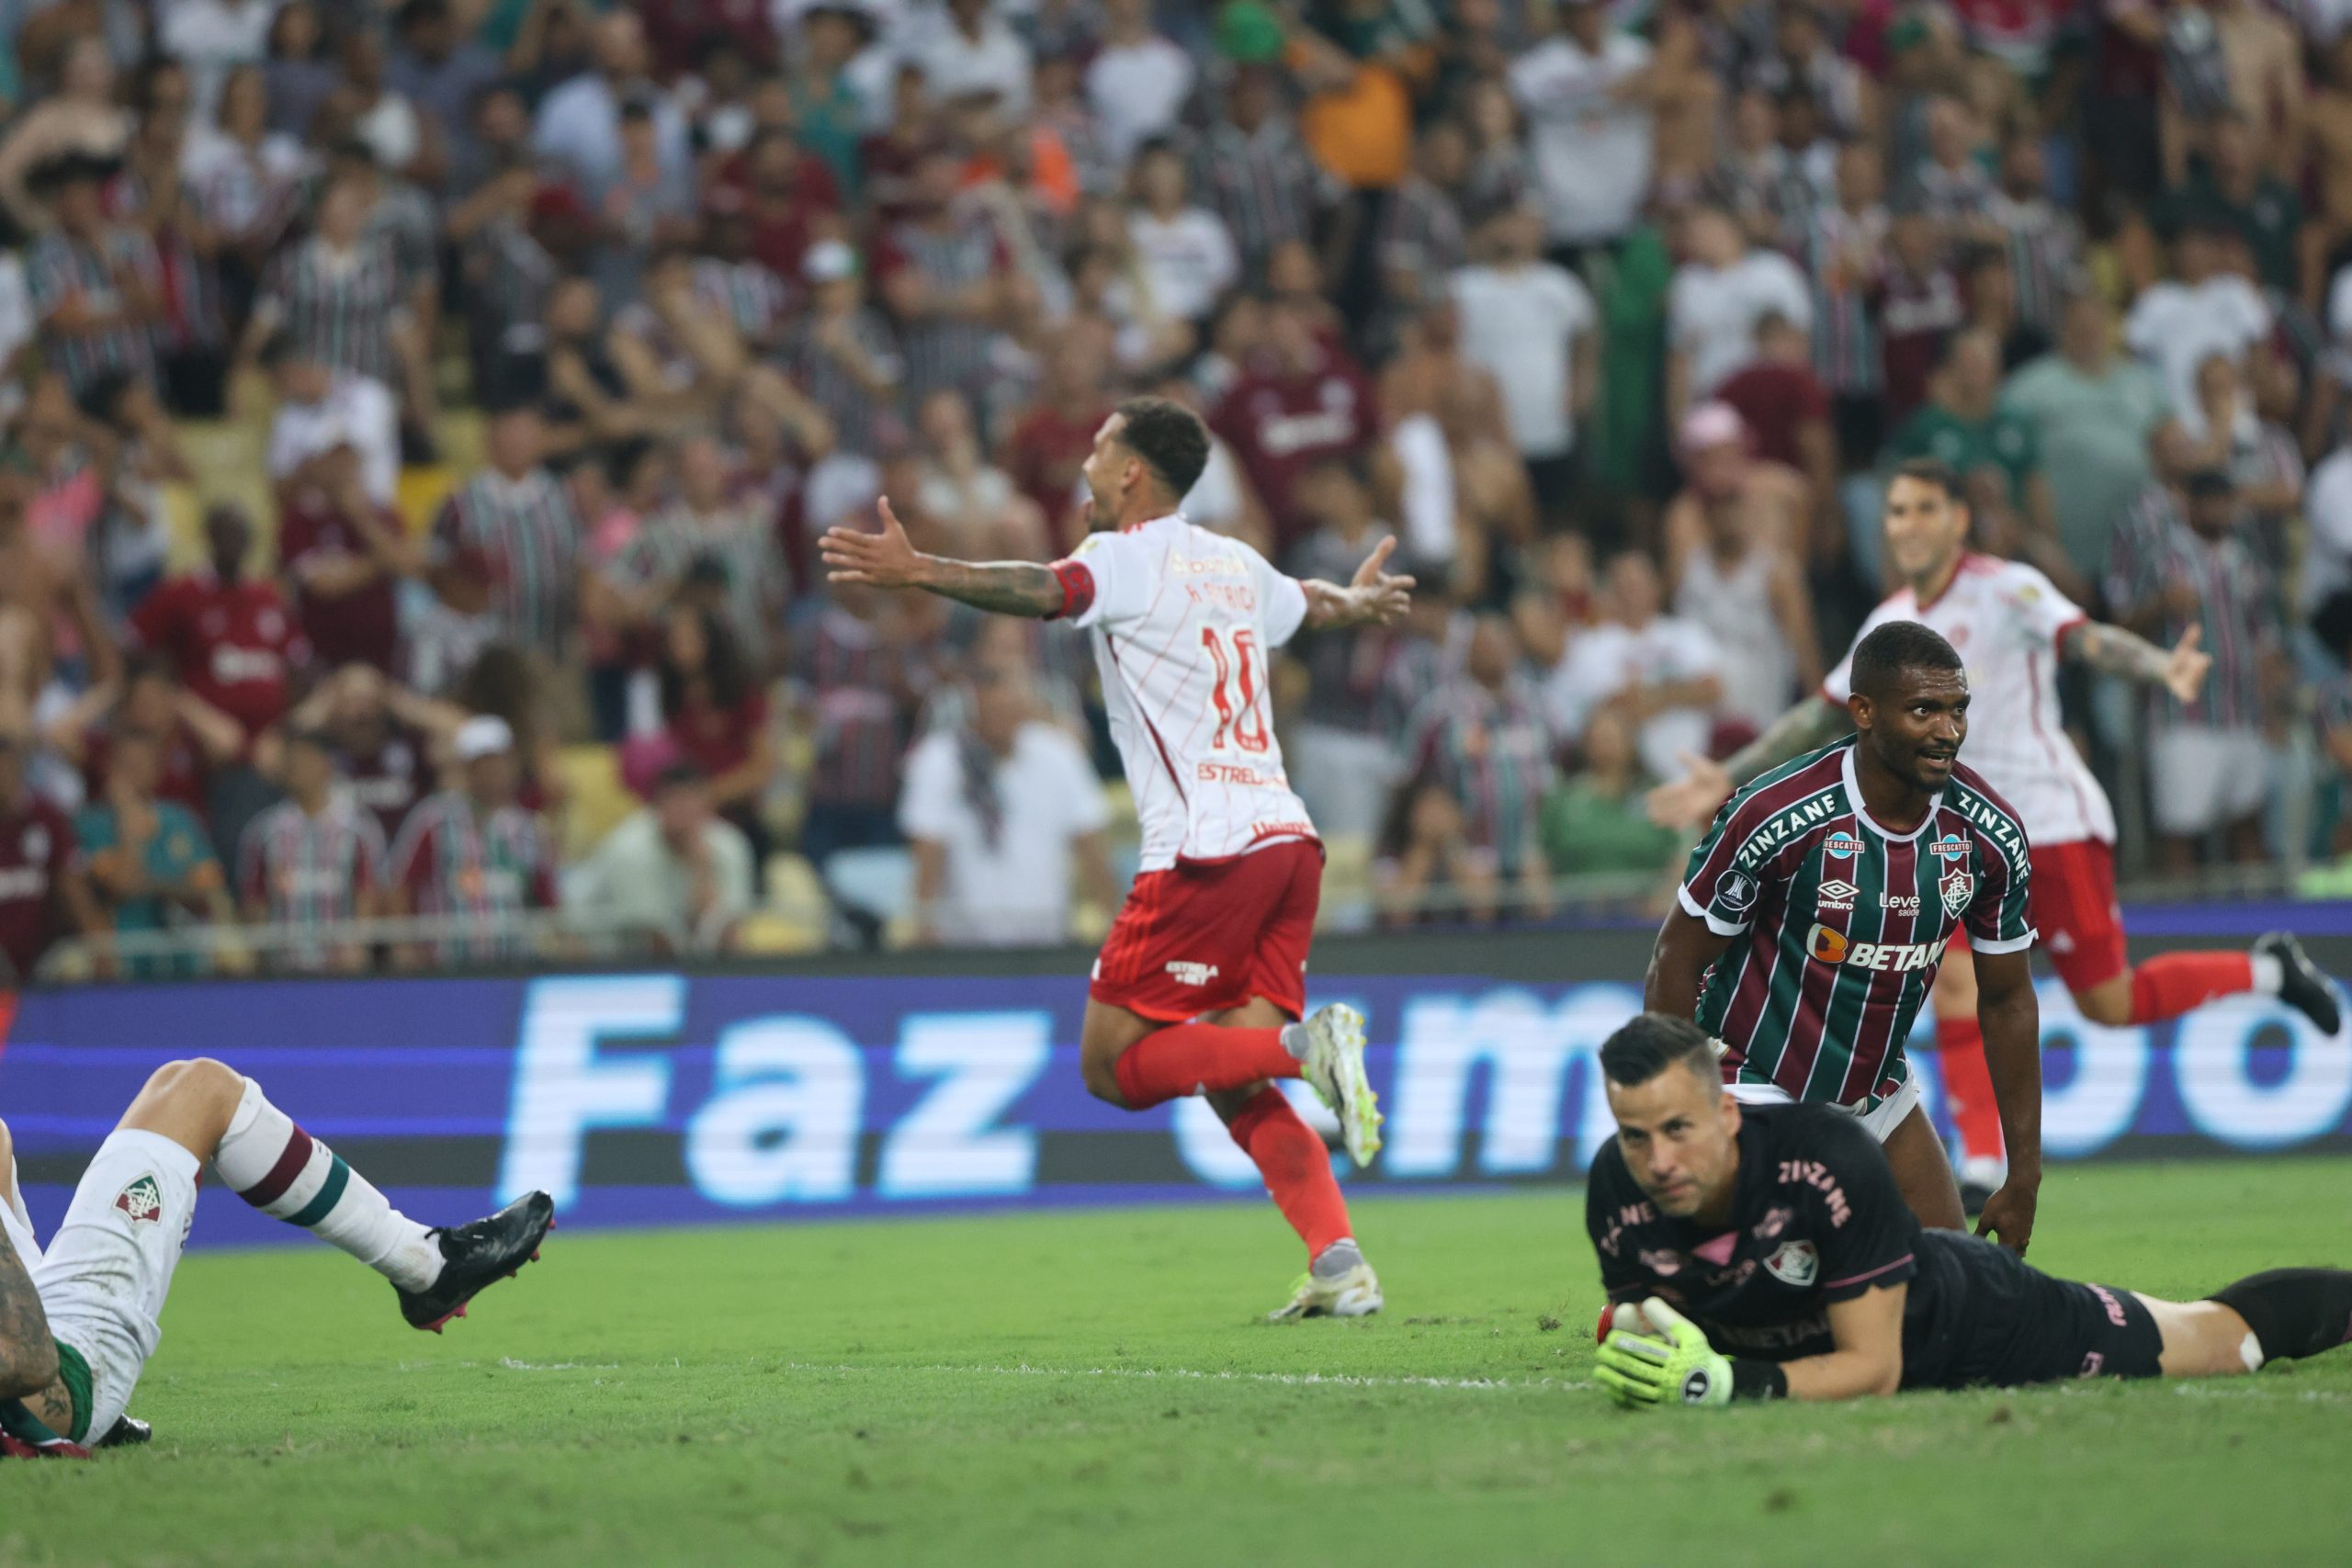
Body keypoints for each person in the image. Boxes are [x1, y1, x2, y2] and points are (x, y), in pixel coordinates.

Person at [821, 396, 1411, 1319]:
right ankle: (1338, 1262)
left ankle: (1308, 1049)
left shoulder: (1123, 557)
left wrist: (917, 571)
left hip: (1205, 855)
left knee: (1109, 1066)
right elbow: (1313, 603)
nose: (1085, 468)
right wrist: (1362, 601)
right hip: (1289, 846)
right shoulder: (1237, 564)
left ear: (1133, 472)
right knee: (1227, 1067)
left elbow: (1040, 589)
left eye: (1098, 450)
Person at [1646, 460, 2339, 1201]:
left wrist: (2157, 665)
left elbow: (2084, 639)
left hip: (2047, 819)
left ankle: (2269, 970)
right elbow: (1822, 710)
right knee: (1951, 978)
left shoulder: (2006, 586)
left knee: (2109, 1000)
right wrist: (1729, 773)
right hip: (1947, 830)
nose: (1905, 525)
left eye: (1922, 509)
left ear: (1957, 519)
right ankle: (1978, 1160)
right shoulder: (1892, 625)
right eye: (1895, 511)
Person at [1582, 1011, 2352, 1407]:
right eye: (1635, 1135)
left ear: (1725, 1113)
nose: (1659, 1162)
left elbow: (1874, 1368)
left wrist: (1726, 1386)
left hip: (1976, 1320)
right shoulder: (1617, 1191)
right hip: (1853, 1346)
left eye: (1678, 1129)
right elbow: (1651, 1328)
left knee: (2217, 1344)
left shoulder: (1825, 1157)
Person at [1645, 618, 2043, 1248]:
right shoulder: (1776, 814)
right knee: (1796, 1297)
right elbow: (1677, 957)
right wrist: (1674, 1121)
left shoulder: (1989, 835)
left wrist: (2024, 1176)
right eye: (1924, 710)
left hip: (1879, 1095)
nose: (1948, 731)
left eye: (1957, 710)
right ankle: (1668, 1276)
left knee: (1961, 1301)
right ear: (1863, 711)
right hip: (1756, 1081)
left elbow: (2008, 999)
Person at [0, 1058, 553, 1457]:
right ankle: (425, 1267)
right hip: (50, 1388)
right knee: (205, 1091)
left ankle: (423, 1263)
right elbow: (29, 1365)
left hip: (41, 1354)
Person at [899, 655, 1117, 947]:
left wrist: (1116, 929)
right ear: (973, 706)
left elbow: (1092, 848)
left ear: (1026, 706)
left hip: (1048, 942)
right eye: (993, 705)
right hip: (962, 947)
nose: (1002, 715)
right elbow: (928, 852)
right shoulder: (940, 759)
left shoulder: (1059, 755)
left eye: (1010, 704)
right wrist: (925, 927)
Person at [236, 727, 388, 974]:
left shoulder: (359, 829)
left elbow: (369, 895)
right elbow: (255, 900)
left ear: (328, 764)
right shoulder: (264, 831)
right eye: (291, 760)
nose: (297, 767)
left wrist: (357, 949)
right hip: (282, 968)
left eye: (306, 758)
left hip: (343, 969)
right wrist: (264, 956)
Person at [565, 761, 754, 955]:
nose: (684, 811)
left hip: (667, 951)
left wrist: (702, 872)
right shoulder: (629, 849)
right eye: (675, 800)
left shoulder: (731, 845)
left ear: (709, 805)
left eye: (691, 800)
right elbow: (654, 941)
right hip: (591, 940)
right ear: (655, 807)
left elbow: (727, 934)